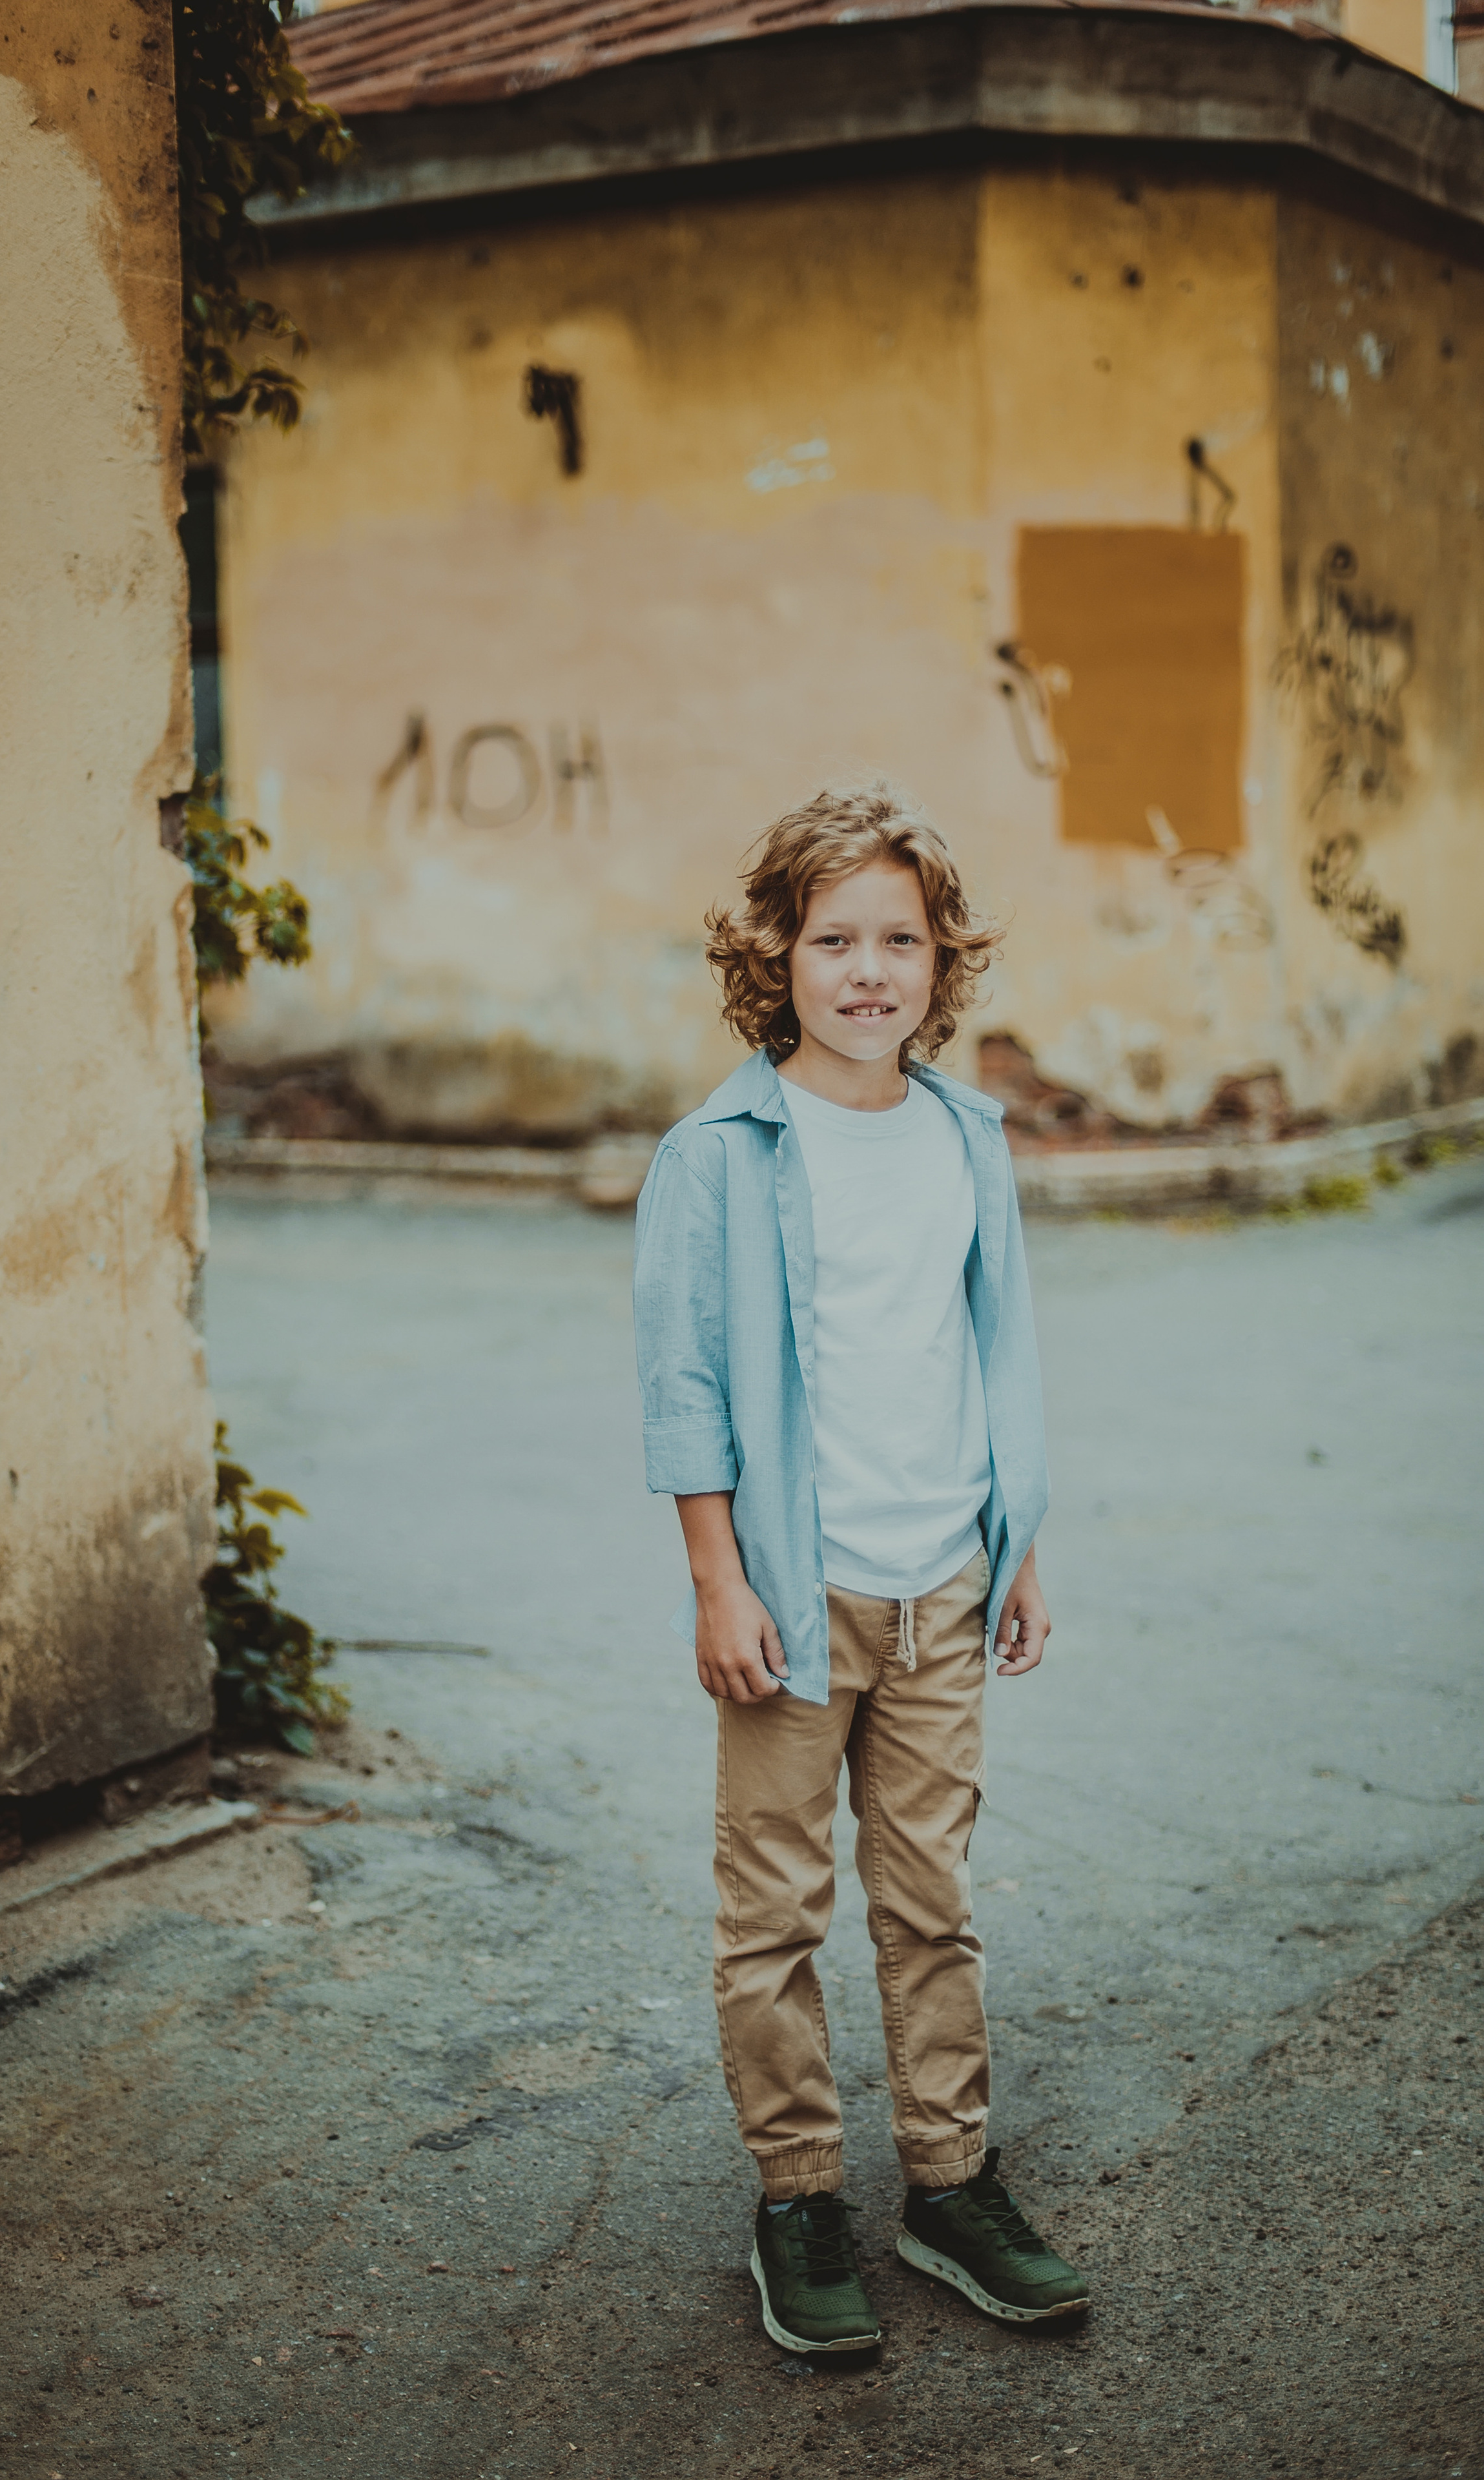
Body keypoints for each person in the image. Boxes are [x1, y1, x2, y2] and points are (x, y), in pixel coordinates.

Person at [632, 782, 1087, 2352]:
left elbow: (992, 1345)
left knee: (929, 1901)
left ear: (940, 962)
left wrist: (1015, 1549)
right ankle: (798, 2198)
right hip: (795, 1591)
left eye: (900, 938)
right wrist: (716, 1578)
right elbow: (685, 1381)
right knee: (771, 1909)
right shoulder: (723, 1151)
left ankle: (951, 2184)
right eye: (834, 939)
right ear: (778, 956)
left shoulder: (967, 1134)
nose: (869, 970)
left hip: (942, 1585)